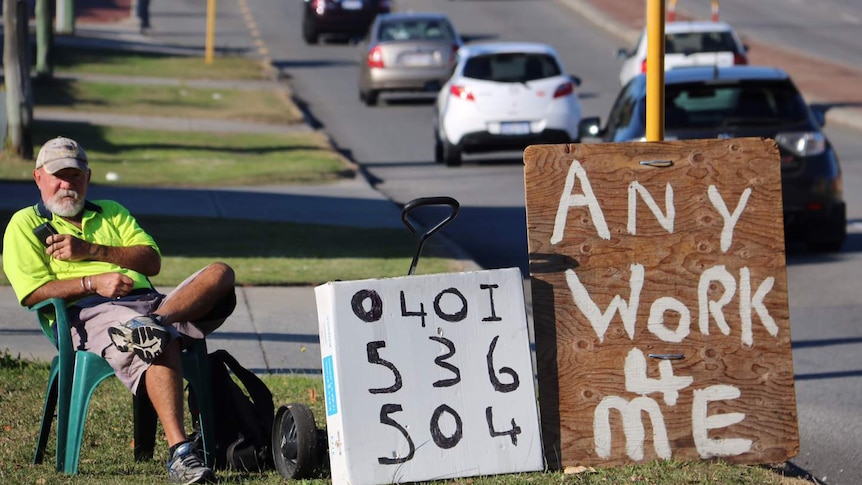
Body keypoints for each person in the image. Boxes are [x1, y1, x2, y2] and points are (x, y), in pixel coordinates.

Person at [2, 136, 237, 484]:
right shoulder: (23, 225)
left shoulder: (112, 211)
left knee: (221, 273)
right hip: (86, 313)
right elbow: (33, 293)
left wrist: (92, 250)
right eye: (58, 176)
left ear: (88, 177)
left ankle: (155, 323)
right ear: (39, 178)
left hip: (153, 306)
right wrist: (91, 284)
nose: (67, 184)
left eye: (75, 176)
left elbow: (151, 261)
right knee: (154, 340)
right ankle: (181, 454)